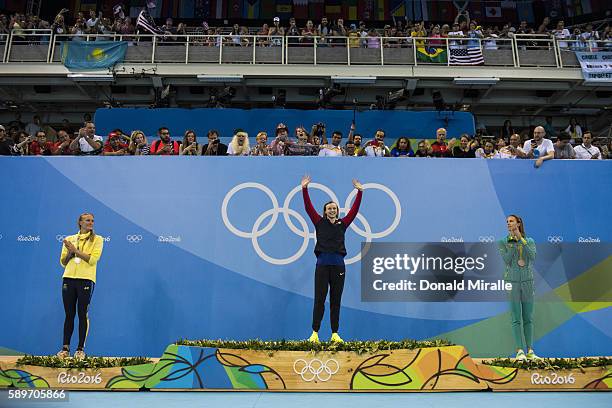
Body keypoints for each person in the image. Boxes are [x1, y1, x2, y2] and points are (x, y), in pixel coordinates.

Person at [301, 175, 363, 343]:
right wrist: (304, 189)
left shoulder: (343, 224)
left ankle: (335, 333)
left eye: (334, 208)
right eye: (329, 208)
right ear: (325, 211)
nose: (332, 210)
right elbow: (308, 208)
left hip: (338, 267)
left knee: (336, 301)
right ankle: (315, 333)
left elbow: (354, 211)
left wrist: (360, 192)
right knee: (319, 300)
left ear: (337, 210)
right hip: (322, 266)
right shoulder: (319, 222)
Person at [57, 213, 104, 360]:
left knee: (82, 314)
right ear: (80, 222)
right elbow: (63, 262)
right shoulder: (70, 239)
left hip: (85, 280)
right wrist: (70, 253)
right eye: (87, 220)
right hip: (68, 278)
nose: (91, 223)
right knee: (69, 314)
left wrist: (75, 251)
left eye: (92, 221)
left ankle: (80, 349)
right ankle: (65, 349)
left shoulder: (97, 239)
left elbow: (93, 259)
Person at [498, 215, 540, 361]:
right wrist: (513, 243)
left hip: (527, 282)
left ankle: (530, 350)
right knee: (516, 318)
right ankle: (519, 350)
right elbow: (507, 260)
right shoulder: (503, 242)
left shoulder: (529, 241)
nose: (508, 223)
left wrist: (520, 239)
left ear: (518, 223)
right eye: (507, 222)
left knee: (528, 317)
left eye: (511, 221)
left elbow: (532, 256)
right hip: (512, 282)